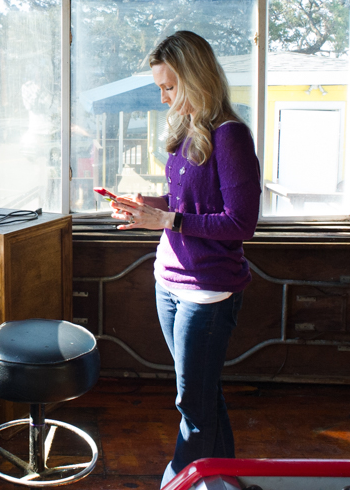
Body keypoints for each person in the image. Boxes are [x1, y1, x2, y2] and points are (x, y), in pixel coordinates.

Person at [108, 31, 261, 486]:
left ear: (198, 79)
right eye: (160, 86)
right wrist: (147, 203)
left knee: (191, 404)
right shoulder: (185, 130)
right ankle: (226, 479)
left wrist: (168, 220)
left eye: (170, 86)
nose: (163, 95)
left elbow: (239, 224)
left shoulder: (230, 136)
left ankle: (180, 479)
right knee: (203, 394)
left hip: (208, 292)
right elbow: (186, 202)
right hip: (168, 281)